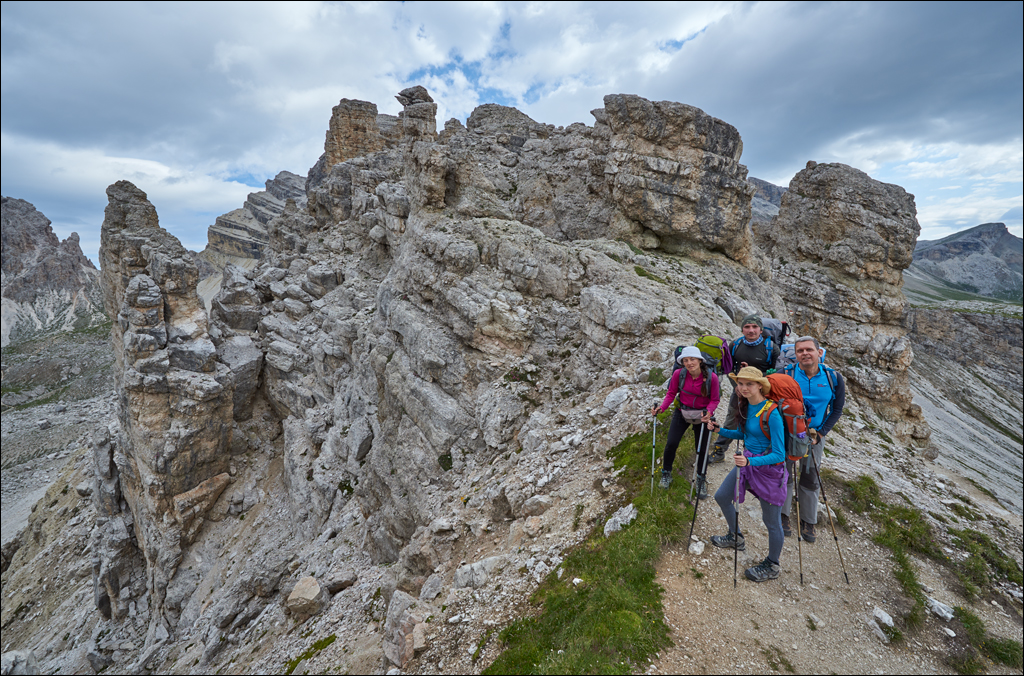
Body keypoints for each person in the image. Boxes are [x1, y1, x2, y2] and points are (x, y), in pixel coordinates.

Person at [706, 366, 787, 582]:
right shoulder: (746, 406)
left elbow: (780, 454)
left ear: (760, 386)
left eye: (749, 384)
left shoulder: (773, 413)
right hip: (748, 463)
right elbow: (745, 433)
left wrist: (750, 460)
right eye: (740, 384)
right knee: (722, 496)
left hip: (769, 470)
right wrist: (719, 430)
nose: (743, 388)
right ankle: (735, 537)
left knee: (772, 521)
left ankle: (773, 565)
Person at [780, 336, 846, 543]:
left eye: (809, 349)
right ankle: (782, 515)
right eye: (800, 351)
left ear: (819, 352)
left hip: (814, 434)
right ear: (796, 354)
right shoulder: (786, 374)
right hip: (787, 431)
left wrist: (821, 433)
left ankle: (808, 520)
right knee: (785, 472)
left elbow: (836, 410)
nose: (805, 354)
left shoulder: (833, 378)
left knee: (810, 475)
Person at [708, 315, 781, 463]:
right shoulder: (735, 345)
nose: (751, 330)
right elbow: (728, 369)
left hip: (764, 393)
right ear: (742, 329)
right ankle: (719, 451)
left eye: (754, 327)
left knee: (763, 423)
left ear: (761, 330)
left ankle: (765, 455)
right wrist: (738, 387)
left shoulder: (771, 348)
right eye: (747, 327)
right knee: (731, 420)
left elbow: (777, 373)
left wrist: (755, 376)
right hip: (740, 391)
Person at [650, 347, 720, 493]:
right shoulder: (679, 374)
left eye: (692, 359)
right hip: (682, 412)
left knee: (701, 449)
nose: (689, 363)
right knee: (671, 443)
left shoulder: (712, 378)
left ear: (700, 360)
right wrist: (661, 408)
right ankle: (666, 473)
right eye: (686, 360)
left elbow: (714, 399)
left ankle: (701, 478)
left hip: (702, 416)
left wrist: (709, 412)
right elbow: (671, 393)